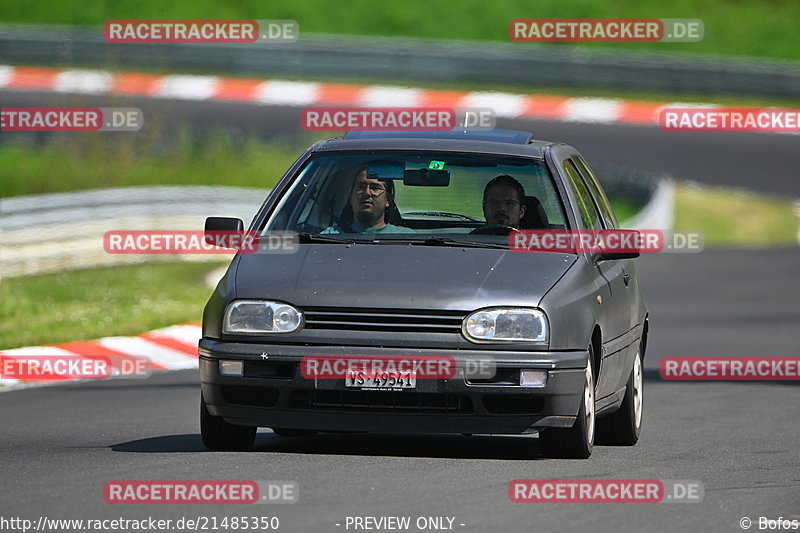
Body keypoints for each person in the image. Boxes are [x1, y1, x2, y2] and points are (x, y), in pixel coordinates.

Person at [322, 168, 408, 234]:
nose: (367, 193)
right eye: (361, 187)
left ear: (388, 200)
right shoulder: (330, 236)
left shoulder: (406, 237)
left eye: (375, 188)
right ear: (351, 197)